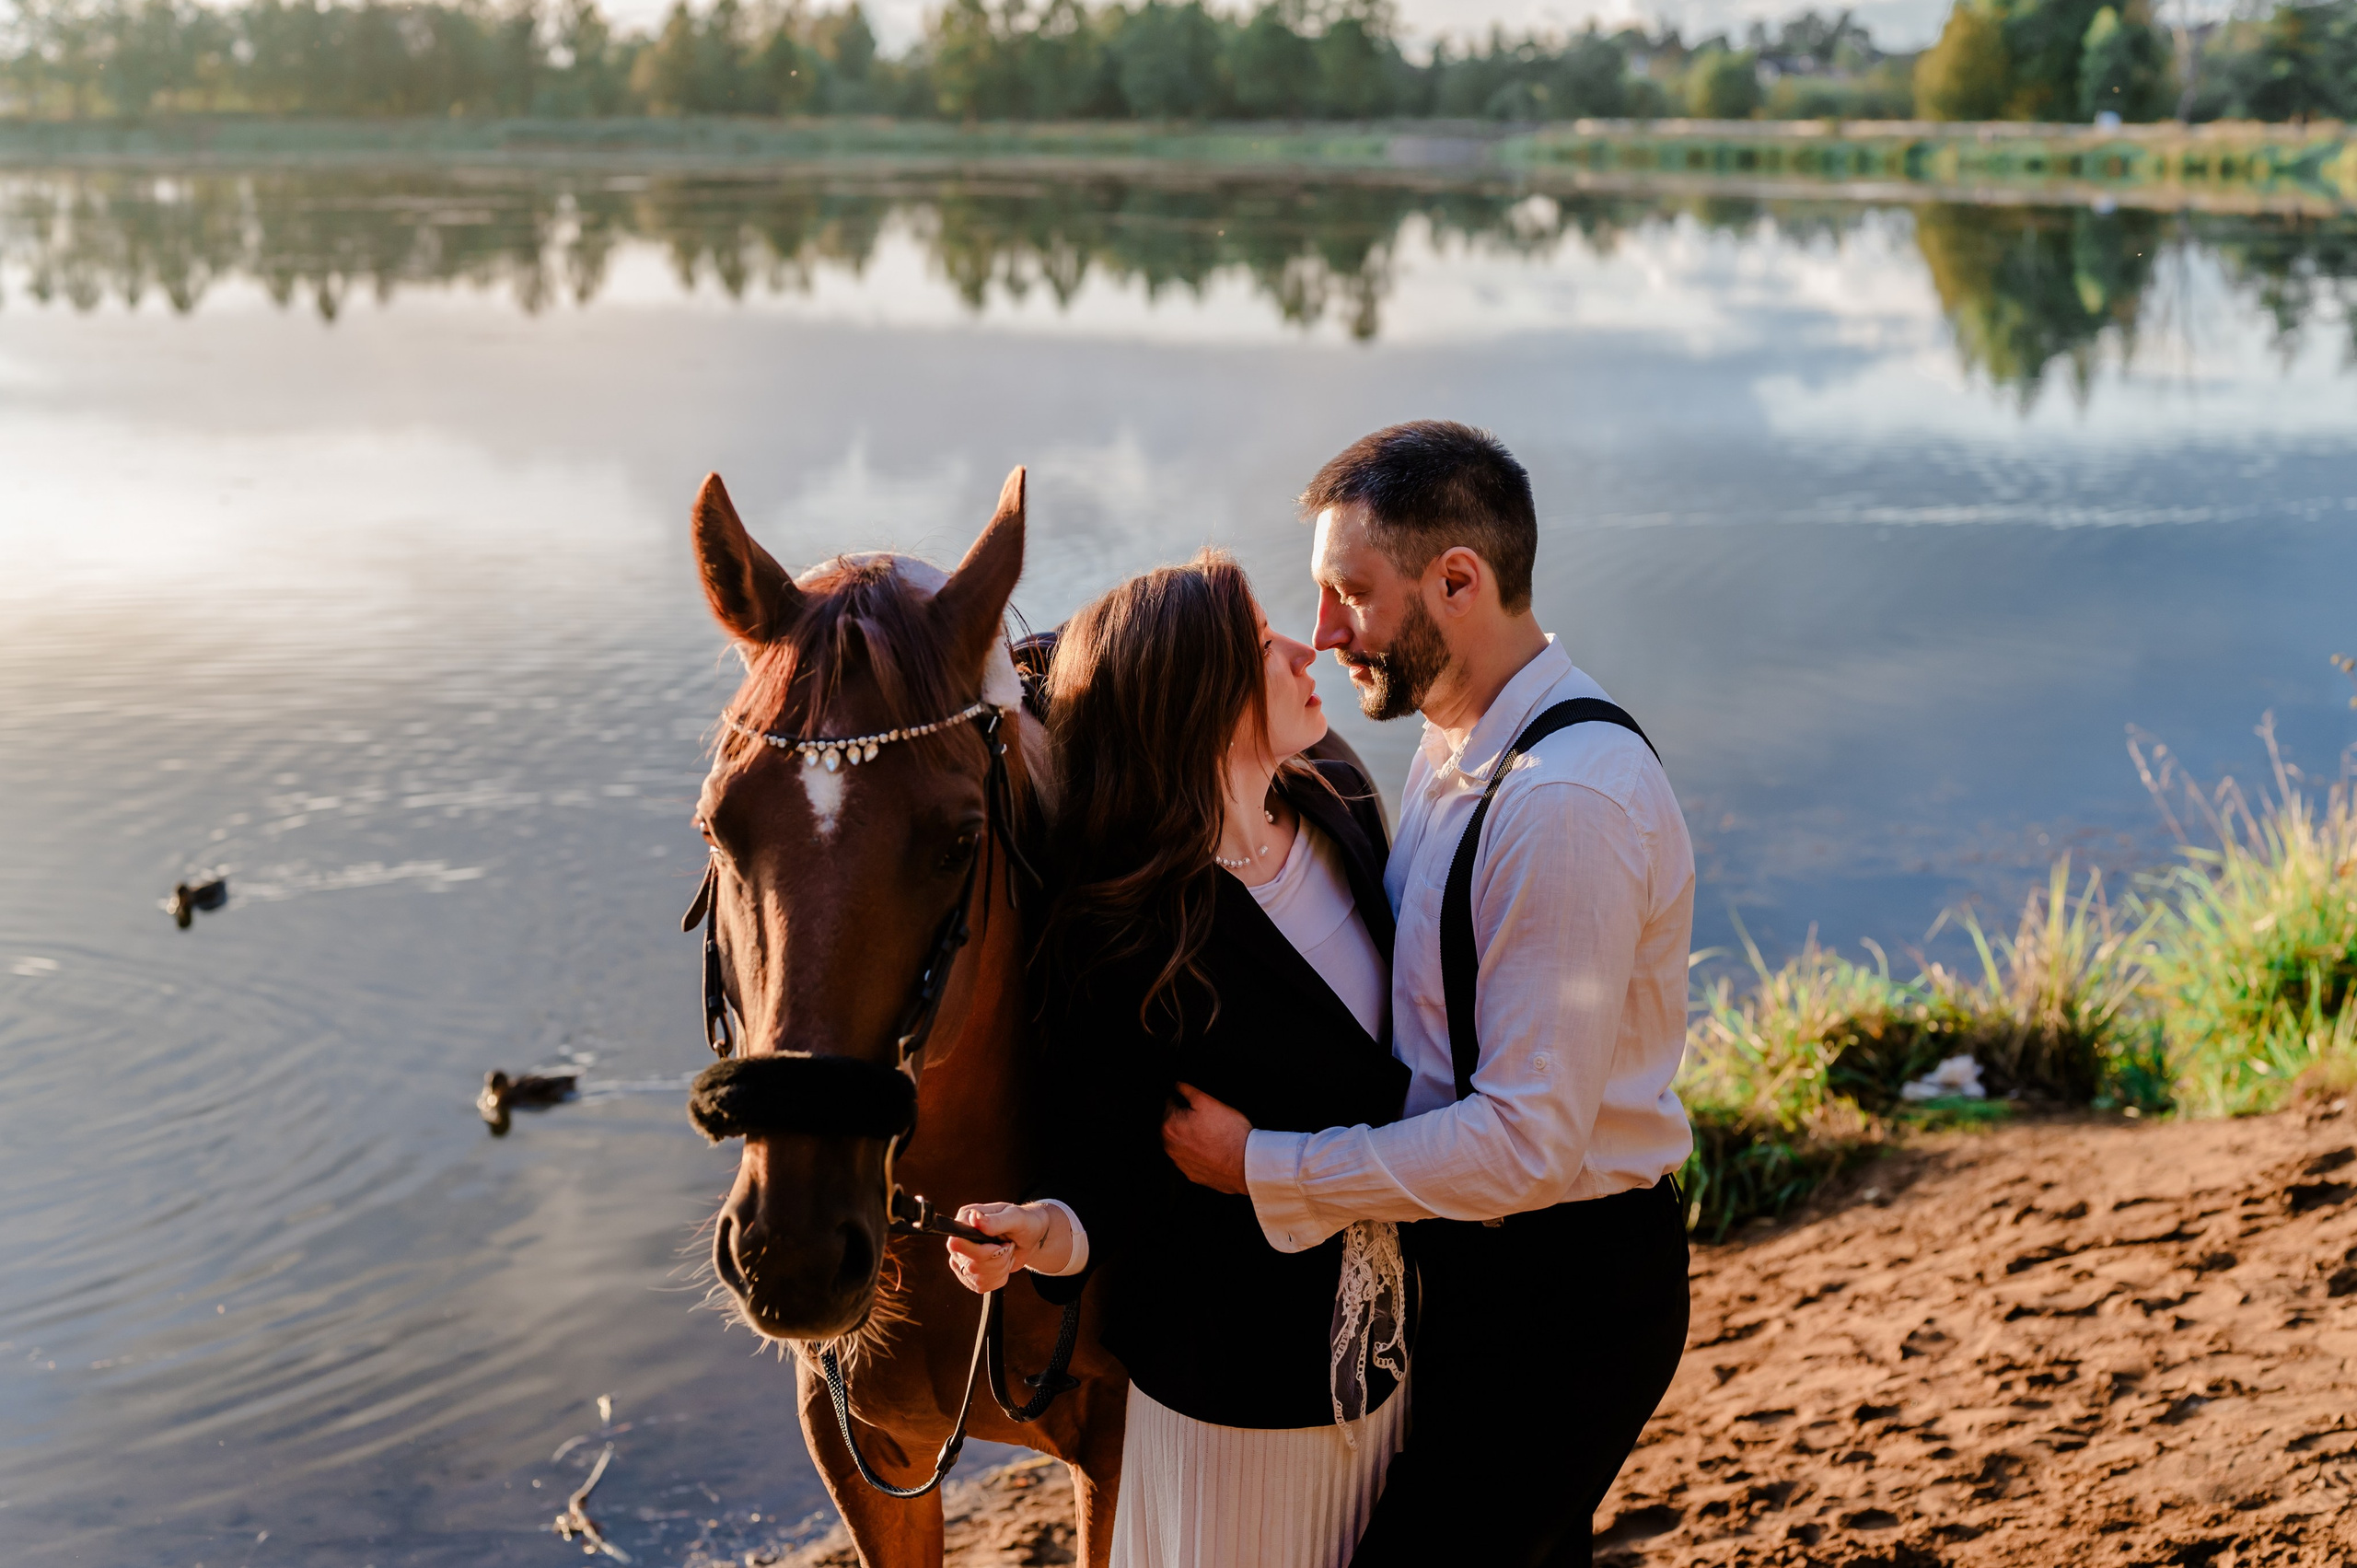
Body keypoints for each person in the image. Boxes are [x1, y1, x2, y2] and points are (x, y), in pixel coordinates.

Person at [1161, 422, 1697, 1567]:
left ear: (1458, 579)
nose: (1321, 633)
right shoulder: (1456, 744)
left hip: (1565, 1290)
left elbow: (1523, 1145)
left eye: (1349, 592)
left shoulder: (1565, 804)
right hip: (1483, 1269)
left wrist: (1265, 1164)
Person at [944, 551, 1415, 1568]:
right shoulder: (1125, 929)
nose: (1309, 648)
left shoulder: (1337, 796)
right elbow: (1109, 1165)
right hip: (1233, 1395)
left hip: (1387, 1354)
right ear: (1192, 700)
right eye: (1261, 645)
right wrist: (1041, 1231)